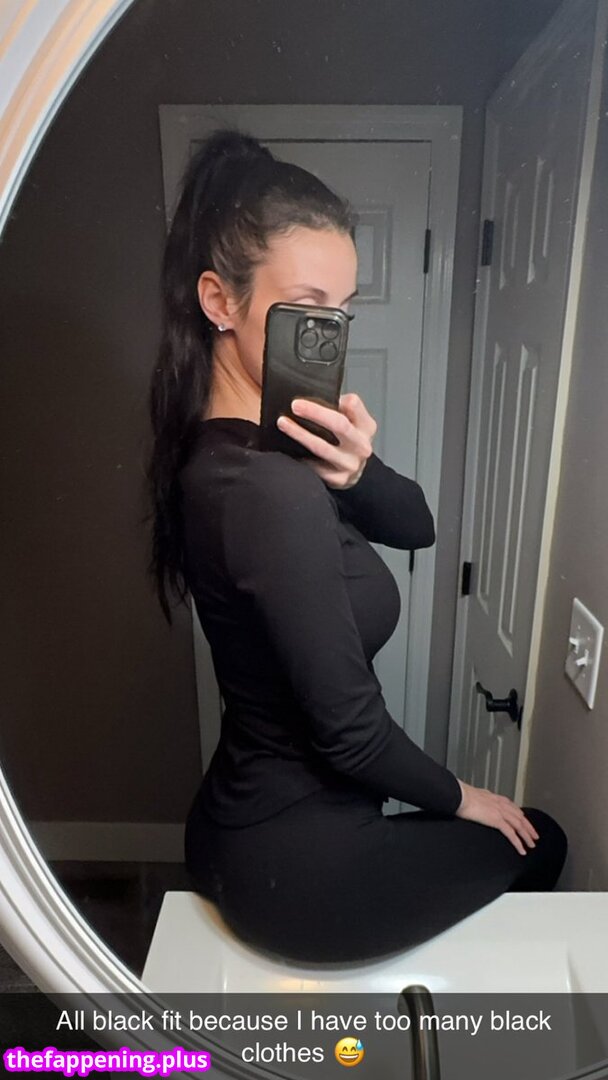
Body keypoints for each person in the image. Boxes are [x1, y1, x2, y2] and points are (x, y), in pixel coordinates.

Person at [145, 127, 567, 964]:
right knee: (541, 839)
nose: (328, 334)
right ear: (219, 301)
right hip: (296, 867)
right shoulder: (265, 489)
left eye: (343, 310)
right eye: (307, 306)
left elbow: (416, 527)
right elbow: (352, 735)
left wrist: (357, 470)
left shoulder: (240, 449)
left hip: (241, 826)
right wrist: (464, 797)